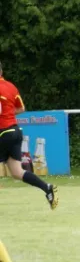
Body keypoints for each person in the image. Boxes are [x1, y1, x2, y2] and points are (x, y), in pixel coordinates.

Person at [0, 61, 58, 209]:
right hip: (16, 132)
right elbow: (21, 108)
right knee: (17, 172)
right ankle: (47, 188)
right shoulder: (11, 87)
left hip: (4, 132)